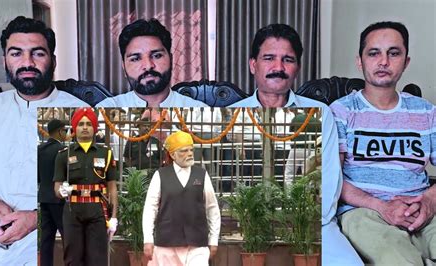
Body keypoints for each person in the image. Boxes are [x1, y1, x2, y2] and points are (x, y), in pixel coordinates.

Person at [229, 23, 363, 265]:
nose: (278, 68)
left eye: (287, 60)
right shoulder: (231, 116)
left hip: (312, 222)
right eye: (269, 58)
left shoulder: (319, 112)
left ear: (297, 67)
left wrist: (303, 221)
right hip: (247, 223)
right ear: (253, 65)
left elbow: (331, 179)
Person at [0, 16, 86, 265]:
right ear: (5, 61)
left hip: (47, 227)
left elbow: (90, 185)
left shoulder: (79, 114)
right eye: (16, 53)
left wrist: (36, 217)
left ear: (53, 60)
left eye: (38, 53)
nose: (26, 63)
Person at [330, 21, 436, 265]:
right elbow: (333, 180)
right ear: (360, 61)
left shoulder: (426, 112)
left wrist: (429, 201)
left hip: (423, 212)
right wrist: (382, 207)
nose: (384, 61)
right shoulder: (341, 112)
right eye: (374, 53)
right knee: (398, 259)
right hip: (364, 213)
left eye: (394, 53)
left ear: (406, 62)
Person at [142, 130, 221, 265]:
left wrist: (213, 239)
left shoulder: (201, 174)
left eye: (191, 150)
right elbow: (150, 208)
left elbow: (212, 209)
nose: (190, 154)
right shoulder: (160, 175)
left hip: (197, 245)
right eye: (184, 151)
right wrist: (148, 239)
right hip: (167, 245)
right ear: (172, 155)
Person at [53, 108, 118, 266]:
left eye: (89, 123)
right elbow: (56, 187)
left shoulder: (106, 153)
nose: (84, 127)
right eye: (81, 123)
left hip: (97, 210)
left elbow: (112, 188)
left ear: (94, 128)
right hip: (72, 210)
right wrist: (61, 192)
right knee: (73, 258)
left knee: (97, 259)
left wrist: (114, 216)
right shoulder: (63, 154)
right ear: (74, 128)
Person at [96, 18, 207, 108]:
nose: (148, 66)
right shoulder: (106, 111)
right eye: (135, 59)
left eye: (157, 56)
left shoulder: (200, 112)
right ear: (124, 67)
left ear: (171, 59)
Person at [38, 119, 68, 266]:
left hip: (44, 198)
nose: (66, 134)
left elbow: (37, 176)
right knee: (66, 235)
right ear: (59, 131)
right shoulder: (62, 151)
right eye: (66, 130)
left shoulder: (40, 150)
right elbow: (67, 175)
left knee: (46, 238)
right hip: (59, 199)